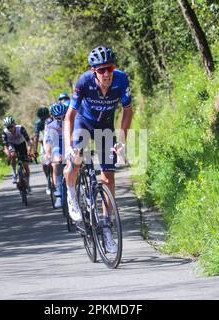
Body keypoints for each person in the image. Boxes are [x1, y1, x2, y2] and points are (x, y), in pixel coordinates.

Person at [63, 46, 133, 253]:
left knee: (108, 177)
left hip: (105, 127)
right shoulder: (84, 82)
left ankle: (106, 224)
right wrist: (68, 146)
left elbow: (128, 111)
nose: (106, 74)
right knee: (75, 161)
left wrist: (121, 139)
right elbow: (70, 116)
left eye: (109, 68)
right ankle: (71, 194)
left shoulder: (121, 80)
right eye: (101, 70)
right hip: (83, 124)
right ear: (94, 71)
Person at [45, 102, 69, 209]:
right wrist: (48, 155)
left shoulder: (71, 121)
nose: (61, 119)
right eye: (57, 117)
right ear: (53, 117)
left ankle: (78, 187)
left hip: (68, 144)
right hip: (57, 146)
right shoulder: (51, 126)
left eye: (63, 116)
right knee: (56, 163)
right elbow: (48, 142)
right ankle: (59, 194)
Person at [2, 116, 33, 190]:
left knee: (26, 166)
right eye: (8, 127)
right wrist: (8, 155)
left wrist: (29, 151)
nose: (10, 129)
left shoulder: (21, 128)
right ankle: (14, 173)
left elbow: (28, 142)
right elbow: (5, 147)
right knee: (13, 155)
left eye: (11, 126)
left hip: (21, 144)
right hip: (12, 145)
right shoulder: (5, 132)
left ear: (14, 124)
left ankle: (27, 184)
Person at [32, 106, 53, 194]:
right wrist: (35, 150)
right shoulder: (38, 124)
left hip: (54, 142)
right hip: (44, 144)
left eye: (46, 118)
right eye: (42, 118)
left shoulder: (53, 120)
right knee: (44, 163)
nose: (44, 120)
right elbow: (36, 137)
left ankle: (55, 178)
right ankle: (48, 180)